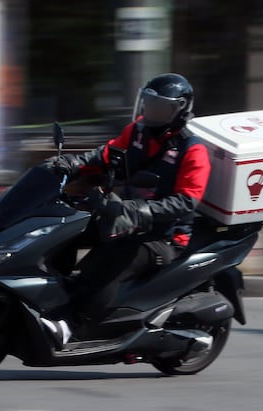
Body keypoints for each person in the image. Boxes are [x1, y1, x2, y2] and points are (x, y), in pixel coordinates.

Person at [41, 73, 211, 348]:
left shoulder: (192, 150)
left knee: (109, 260)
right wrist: (72, 164)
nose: (151, 110)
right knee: (65, 229)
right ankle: (51, 299)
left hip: (163, 237)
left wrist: (141, 210)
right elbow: (105, 155)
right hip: (125, 219)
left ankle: (75, 326)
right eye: (149, 103)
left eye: (159, 106)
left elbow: (187, 201)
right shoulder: (137, 131)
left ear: (179, 110)